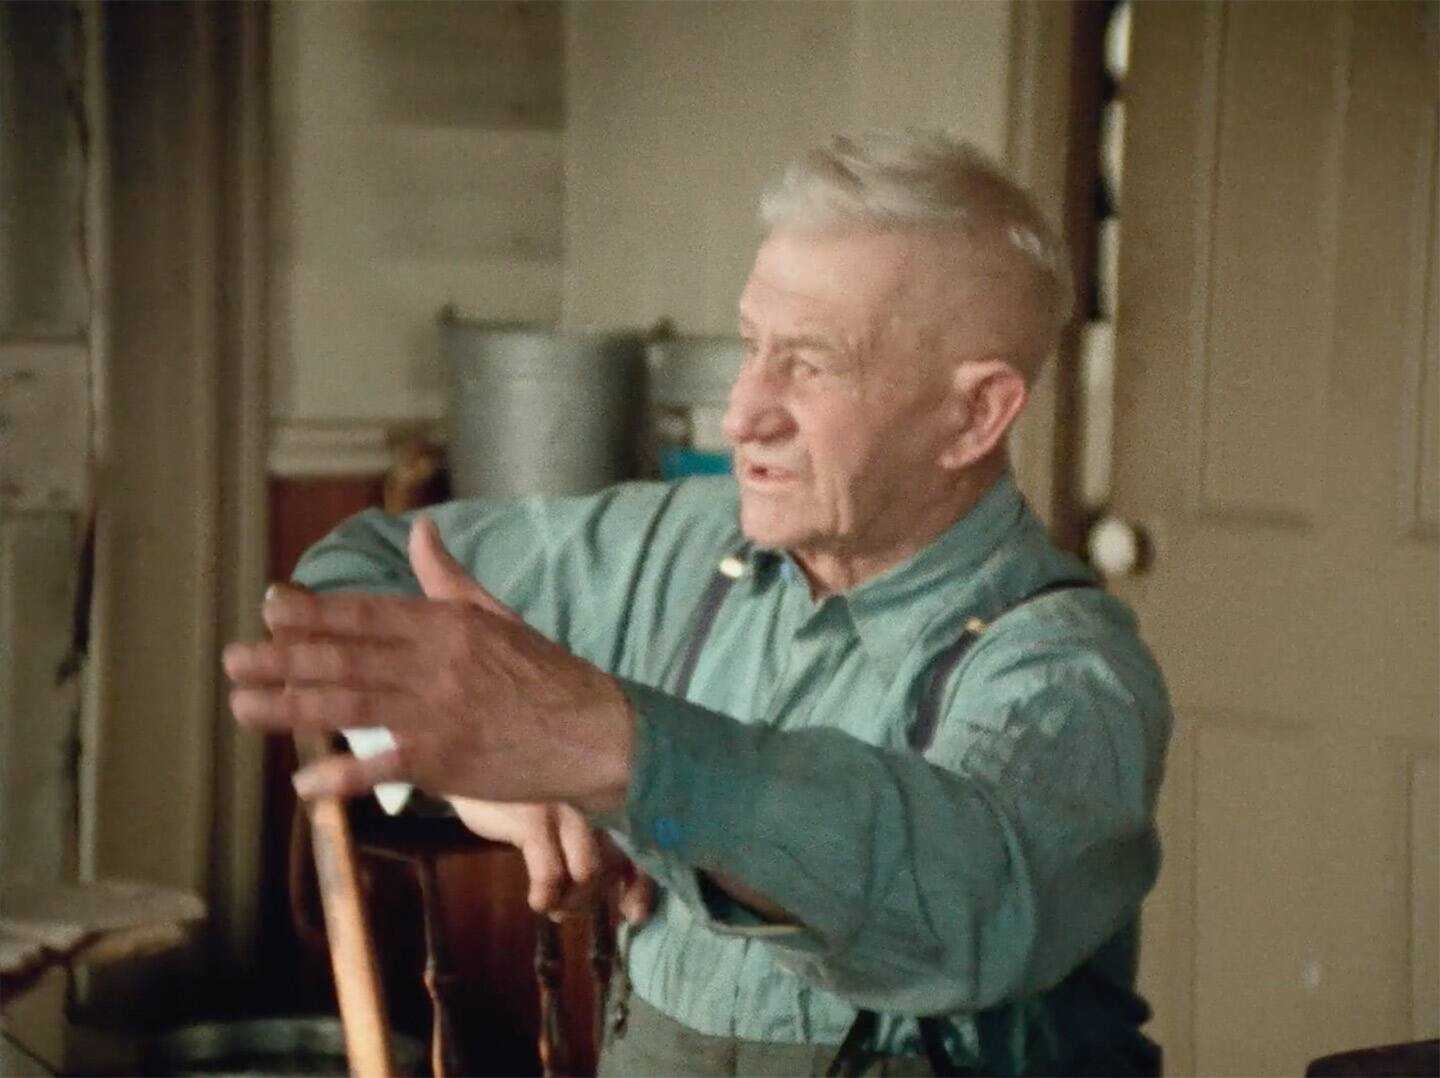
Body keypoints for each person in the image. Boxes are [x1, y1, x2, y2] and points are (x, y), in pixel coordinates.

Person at [224, 129, 1171, 1076]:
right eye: (752, 347)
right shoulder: (684, 545)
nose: (740, 415)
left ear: (973, 415)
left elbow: (962, 904)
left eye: (810, 364)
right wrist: (488, 780)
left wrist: (611, 749)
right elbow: (352, 569)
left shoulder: (1066, 675)